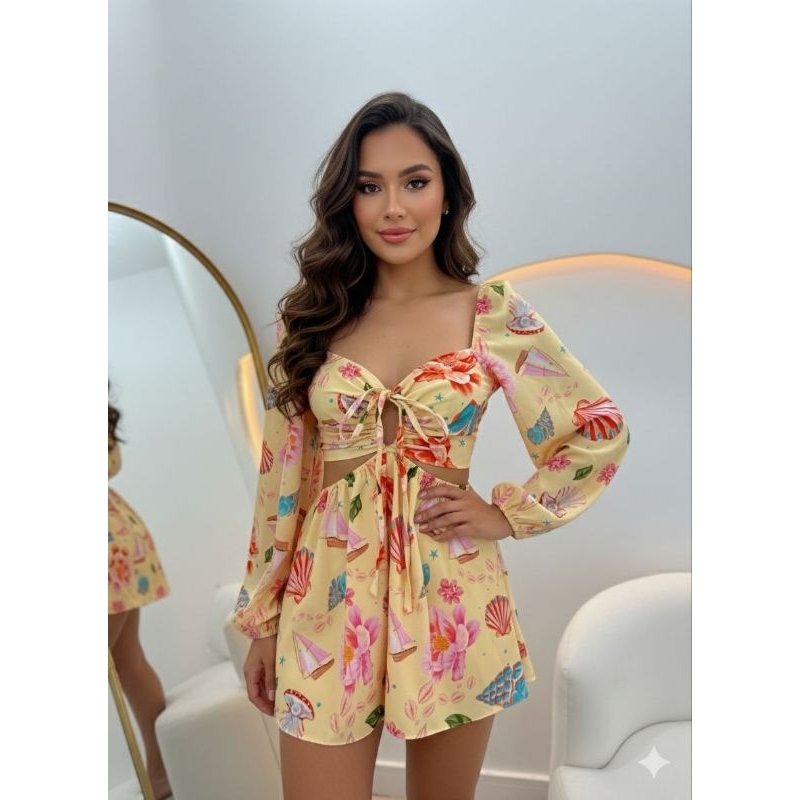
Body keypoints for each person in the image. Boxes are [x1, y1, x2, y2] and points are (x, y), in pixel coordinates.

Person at [233, 91, 629, 800]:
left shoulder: (492, 314)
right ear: (347, 203)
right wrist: (263, 620)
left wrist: (505, 514)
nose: (393, 208)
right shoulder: (315, 322)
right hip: (328, 596)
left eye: (414, 182)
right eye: (369, 186)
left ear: (447, 194)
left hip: (451, 593)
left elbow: (595, 430)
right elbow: (281, 483)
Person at [108, 399, 173, 800]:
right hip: (117, 533)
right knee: (128, 661)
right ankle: (161, 773)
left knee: (127, 662)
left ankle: (162, 772)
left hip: (109, 543)